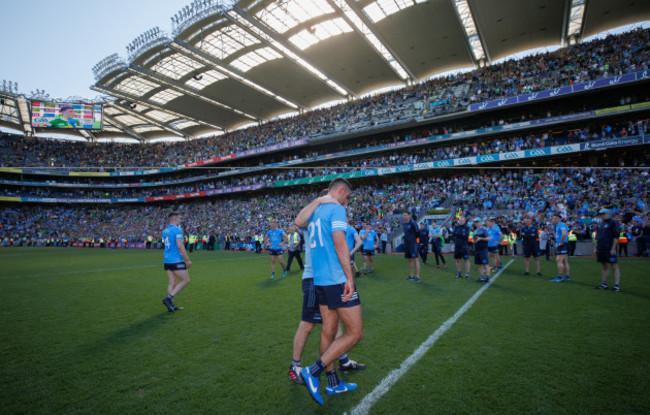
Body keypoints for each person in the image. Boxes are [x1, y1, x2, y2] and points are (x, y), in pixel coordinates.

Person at [289, 191, 366, 387]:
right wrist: (318, 201)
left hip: (325, 278)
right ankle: (296, 367)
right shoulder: (314, 215)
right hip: (315, 277)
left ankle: (341, 363)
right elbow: (299, 221)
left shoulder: (321, 218)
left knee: (333, 325)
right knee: (309, 324)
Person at [161, 212, 191, 312]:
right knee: (186, 280)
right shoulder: (177, 230)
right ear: (174, 219)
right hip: (176, 259)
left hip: (167, 259)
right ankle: (168, 299)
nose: (180, 220)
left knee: (172, 282)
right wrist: (187, 259)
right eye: (179, 218)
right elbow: (180, 246)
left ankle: (171, 305)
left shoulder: (165, 231)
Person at [594, 209, 621, 292]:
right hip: (601, 248)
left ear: (608, 214)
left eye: (603, 214)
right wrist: (595, 247)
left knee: (614, 265)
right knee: (604, 265)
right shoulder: (600, 223)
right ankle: (604, 284)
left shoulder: (613, 222)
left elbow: (616, 236)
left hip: (609, 248)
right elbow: (598, 237)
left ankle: (616, 285)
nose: (602, 215)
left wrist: (613, 248)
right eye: (600, 214)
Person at [550, 213, 570, 282]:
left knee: (559, 260)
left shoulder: (560, 224)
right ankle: (567, 277)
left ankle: (559, 277)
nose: (554, 220)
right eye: (553, 218)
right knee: (564, 261)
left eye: (556, 218)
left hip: (562, 245)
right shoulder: (560, 225)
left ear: (560, 219)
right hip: (565, 244)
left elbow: (564, 234)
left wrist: (561, 242)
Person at [402, 212, 421, 282]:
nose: (404, 216)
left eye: (406, 215)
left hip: (412, 244)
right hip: (407, 244)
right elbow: (406, 233)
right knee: (409, 260)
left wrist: (415, 240)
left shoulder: (413, 223)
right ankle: (411, 275)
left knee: (415, 259)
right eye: (404, 215)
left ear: (409, 216)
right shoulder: (404, 224)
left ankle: (418, 276)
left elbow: (418, 232)